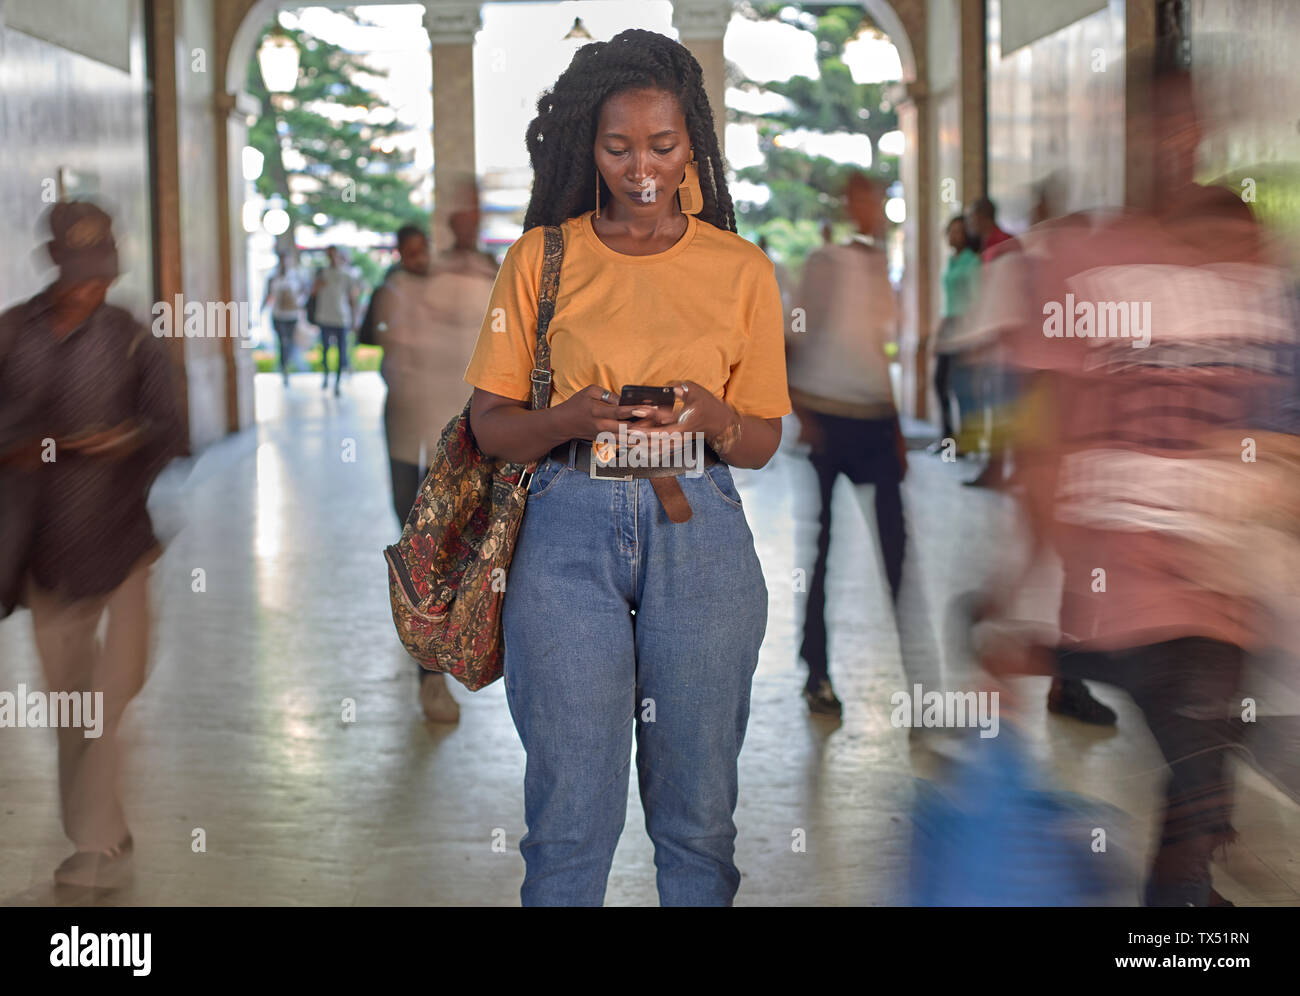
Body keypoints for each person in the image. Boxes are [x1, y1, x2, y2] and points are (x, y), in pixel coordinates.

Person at [462, 29, 789, 906]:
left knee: (698, 819)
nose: (641, 167)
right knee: (568, 822)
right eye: (618, 146)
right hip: (567, 527)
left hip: (701, 530)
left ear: (695, 148)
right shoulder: (540, 259)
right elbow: (491, 426)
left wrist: (717, 416)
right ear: (588, 146)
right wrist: (566, 416)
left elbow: (762, 443)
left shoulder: (742, 269)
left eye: (663, 145)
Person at [0, 201, 184, 890]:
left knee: (110, 696)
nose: (89, 286)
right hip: (46, 558)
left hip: (121, 549)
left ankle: (98, 836)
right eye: (78, 273)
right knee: (70, 707)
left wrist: (122, 440)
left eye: (99, 273)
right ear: (54, 264)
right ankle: (98, 833)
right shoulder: (14, 334)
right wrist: (24, 450)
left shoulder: (132, 339)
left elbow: (169, 430)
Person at [787, 172, 907, 715]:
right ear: (847, 204)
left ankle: (919, 680)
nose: (871, 210)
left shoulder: (882, 268)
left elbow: (881, 350)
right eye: (862, 200)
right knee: (826, 549)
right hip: (831, 419)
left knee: (898, 554)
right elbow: (791, 338)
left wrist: (899, 426)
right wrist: (802, 410)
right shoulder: (823, 264)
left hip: (876, 420)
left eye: (877, 200)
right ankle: (817, 671)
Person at [376, 214, 497, 724]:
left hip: (453, 446)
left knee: (450, 553)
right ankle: (430, 674)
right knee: (418, 549)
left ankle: (446, 655)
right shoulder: (398, 291)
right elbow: (389, 355)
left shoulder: (473, 285)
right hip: (409, 439)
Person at [929, 215, 981, 449]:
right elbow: (947, 302)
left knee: (962, 386)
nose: (954, 236)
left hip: (965, 325)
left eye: (959, 231)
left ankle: (967, 440)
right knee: (939, 382)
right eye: (951, 231)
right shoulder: (951, 262)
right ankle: (948, 437)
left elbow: (975, 299)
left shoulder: (972, 262)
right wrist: (938, 334)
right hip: (949, 324)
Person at [311, 246, 361, 396]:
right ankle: (326, 375)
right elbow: (311, 292)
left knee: (341, 351)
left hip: (341, 317)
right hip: (325, 316)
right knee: (325, 349)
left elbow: (353, 298)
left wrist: (354, 319)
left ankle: (338, 382)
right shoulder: (322, 274)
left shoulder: (347, 275)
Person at [262, 252, 303, 384]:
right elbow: (268, 296)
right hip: (278, 315)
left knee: (289, 341)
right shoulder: (273, 278)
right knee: (283, 341)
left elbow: (303, 293)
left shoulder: (296, 277)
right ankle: (284, 366)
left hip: (292, 315)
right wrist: (260, 312)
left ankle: (286, 365)